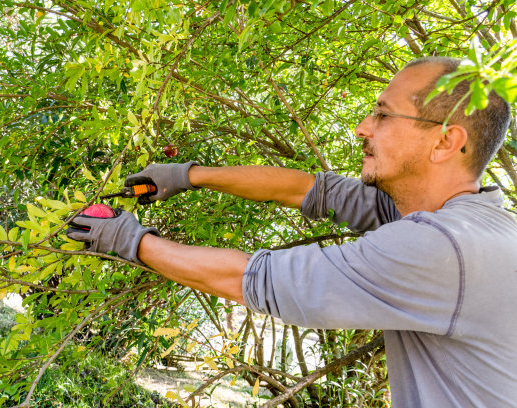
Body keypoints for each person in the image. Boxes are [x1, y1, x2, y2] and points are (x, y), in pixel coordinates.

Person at [67, 57, 517, 407]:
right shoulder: (457, 219)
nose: (362, 128)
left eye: (383, 115)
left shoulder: (441, 248)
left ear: (444, 141)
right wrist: (188, 175)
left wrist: (130, 241)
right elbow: (309, 189)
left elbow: (252, 278)